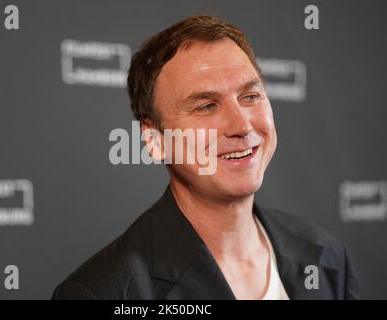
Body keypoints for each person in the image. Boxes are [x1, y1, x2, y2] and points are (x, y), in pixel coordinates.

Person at [52, 15, 359, 300]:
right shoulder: (102, 291)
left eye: (250, 96)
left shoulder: (326, 255)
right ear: (154, 139)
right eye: (206, 106)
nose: (242, 125)